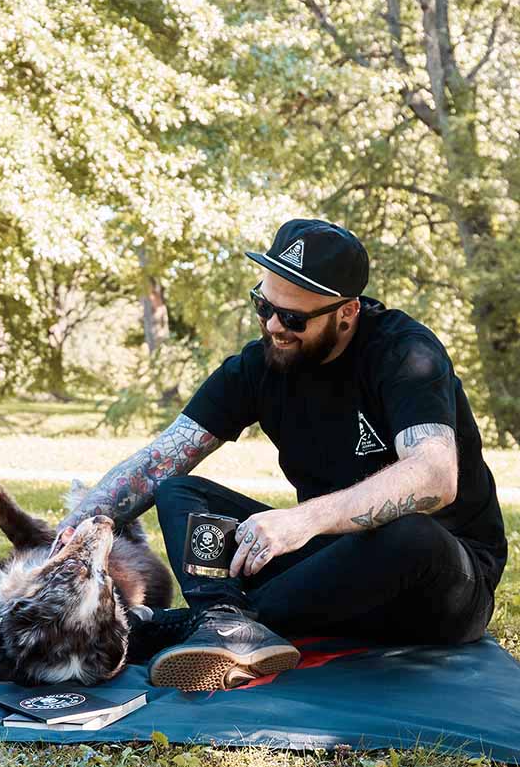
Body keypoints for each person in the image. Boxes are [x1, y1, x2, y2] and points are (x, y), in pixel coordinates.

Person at [61, 218, 508, 691]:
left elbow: (435, 476)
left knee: (410, 535)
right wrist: (79, 533)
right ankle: (227, 621)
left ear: (347, 312)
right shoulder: (258, 367)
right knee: (180, 492)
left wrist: (302, 520)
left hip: (439, 584)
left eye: (294, 318)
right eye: (264, 306)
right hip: (331, 572)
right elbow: (158, 463)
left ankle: (186, 628)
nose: (275, 326)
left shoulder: (405, 354)